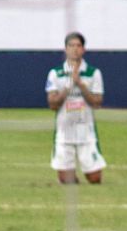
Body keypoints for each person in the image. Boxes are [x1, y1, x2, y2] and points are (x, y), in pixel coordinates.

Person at [45, 31, 106, 185]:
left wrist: (80, 83)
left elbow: (97, 102)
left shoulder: (93, 73)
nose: (75, 49)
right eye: (71, 45)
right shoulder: (55, 73)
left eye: (78, 45)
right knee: (67, 181)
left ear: (83, 49)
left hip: (86, 132)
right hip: (64, 133)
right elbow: (52, 104)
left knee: (95, 179)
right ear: (65, 49)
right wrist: (69, 85)